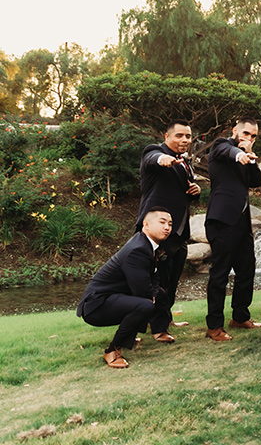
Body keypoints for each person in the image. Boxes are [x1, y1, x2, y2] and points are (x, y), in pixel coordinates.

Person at [77, 208, 172, 368]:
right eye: (162, 222)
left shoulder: (147, 244)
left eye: (170, 224)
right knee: (145, 304)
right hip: (96, 306)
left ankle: (153, 332)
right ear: (146, 225)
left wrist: (155, 293)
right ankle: (112, 350)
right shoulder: (138, 249)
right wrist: (152, 296)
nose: (167, 227)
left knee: (159, 295)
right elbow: (141, 290)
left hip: (112, 297)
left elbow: (153, 276)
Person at [136, 119, 201, 343]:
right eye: (179, 136)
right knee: (158, 280)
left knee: (172, 280)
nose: (184, 140)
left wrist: (196, 189)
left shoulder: (185, 162)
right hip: (157, 231)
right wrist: (162, 159)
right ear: (167, 137)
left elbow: (185, 191)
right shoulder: (154, 152)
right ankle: (157, 327)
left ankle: (166, 317)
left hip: (179, 232)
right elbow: (152, 159)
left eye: (188, 136)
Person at [203, 117, 261, 342]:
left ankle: (240, 316)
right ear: (235, 131)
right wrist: (239, 153)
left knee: (247, 270)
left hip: (242, 222)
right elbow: (227, 151)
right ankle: (214, 327)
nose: (249, 138)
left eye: (253, 136)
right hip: (221, 220)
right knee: (220, 274)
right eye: (246, 133)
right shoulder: (222, 145)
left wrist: (249, 159)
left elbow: (257, 181)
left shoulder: (247, 156)